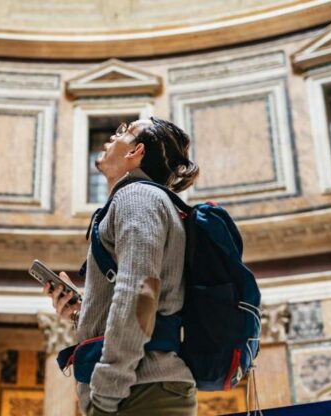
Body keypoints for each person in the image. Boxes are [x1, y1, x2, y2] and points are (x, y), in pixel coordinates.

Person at [44, 117, 200, 415]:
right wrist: (81, 312)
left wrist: (107, 390)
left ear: (135, 152)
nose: (110, 139)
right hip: (142, 389)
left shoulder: (136, 197)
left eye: (122, 132)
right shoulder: (145, 200)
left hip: (136, 393)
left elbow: (140, 292)